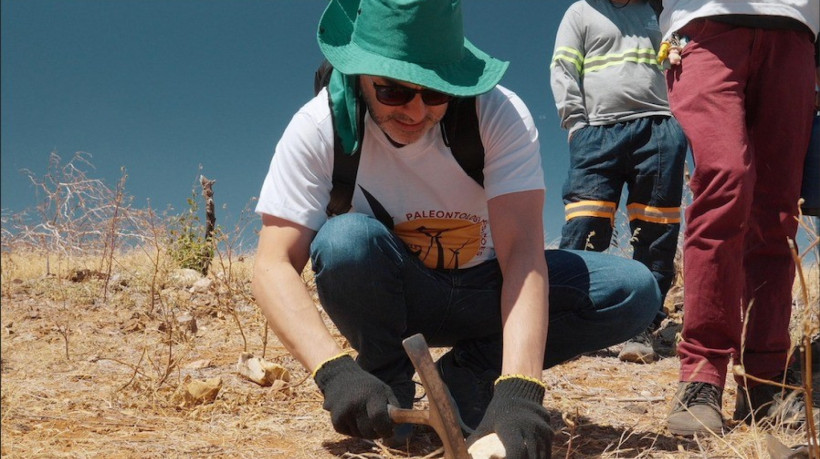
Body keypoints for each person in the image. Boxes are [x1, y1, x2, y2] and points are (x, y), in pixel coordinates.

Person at [252, 0, 660, 456]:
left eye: (435, 93)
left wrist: (521, 389)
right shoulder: (318, 127)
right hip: (399, 297)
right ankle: (387, 384)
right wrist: (334, 372)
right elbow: (272, 265)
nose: (416, 111)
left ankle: (469, 375)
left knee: (633, 289)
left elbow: (522, 254)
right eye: (393, 92)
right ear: (358, 72)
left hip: (484, 291)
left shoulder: (498, 114)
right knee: (345, 241)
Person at [656, 0, 820, 436]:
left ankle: (765, 379)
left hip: (796, 30)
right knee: (724, 180)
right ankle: (702, 375)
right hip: (704, 24)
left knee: (779, 212)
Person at [549, 0, 689, 364]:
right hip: (597, 132)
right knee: (585, 225)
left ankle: (640, 325)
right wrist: (575, 125)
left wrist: (679, 120)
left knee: (655, 231)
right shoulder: (580, 12)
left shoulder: (663, 11)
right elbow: (563, 67)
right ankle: (569, 322)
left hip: (659, 127)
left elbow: (684, 59)